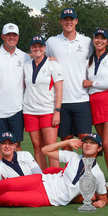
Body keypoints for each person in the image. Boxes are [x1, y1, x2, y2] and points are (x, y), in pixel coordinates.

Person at [0, 134, 108, 208]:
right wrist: (66, 142)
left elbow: (103, 197)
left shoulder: (99, 174)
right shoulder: (72, 156)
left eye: (92, 144)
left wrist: (102, 202)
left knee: (8, 198)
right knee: (7, 184)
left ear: (99, 148)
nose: (88, 145)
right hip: (42, 180)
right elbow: (46, 150)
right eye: (86, 142)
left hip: (49, 198)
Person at [0, 23, 30, 163]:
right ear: (3, 36)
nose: (11, 37)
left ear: (18, 37)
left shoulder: (24, 57)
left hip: (17, 108)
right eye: (8, 35)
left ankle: (16, 176)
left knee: (16, 144)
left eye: (14, 35)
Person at [46, 8, 93, 141]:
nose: (68, 22)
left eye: (71, 19)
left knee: (86, 142)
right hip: (61, 102)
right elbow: (39, 56)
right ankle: (69, 164)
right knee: (66, 143)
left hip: (82, 99)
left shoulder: (86, 41)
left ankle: (87, 164)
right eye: (65, 19)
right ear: (61, 21)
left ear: (76, 21)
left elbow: (98, 55)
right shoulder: (51, 42)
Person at [83, 28, 108, 187]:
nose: (99, 41)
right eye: (96, 38)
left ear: (107, 42)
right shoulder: (88, 60)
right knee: (100, 146)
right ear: (93, 40)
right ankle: (96, 178)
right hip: (94, 102)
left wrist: (92, 83)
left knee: (106, 143)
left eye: (102, 38)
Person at [23, 35, 63, 170]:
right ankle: (43, 179)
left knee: (50, 147)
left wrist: (57, 111)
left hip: (48, 110)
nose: (37, 49)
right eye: (34, 46)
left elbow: (59, 90)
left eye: (40, 46)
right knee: (37, 146)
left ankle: (55, 178)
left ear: (45, 48)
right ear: (31, 48)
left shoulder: (53, 64)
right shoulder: (26, 64)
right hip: (29, 111)